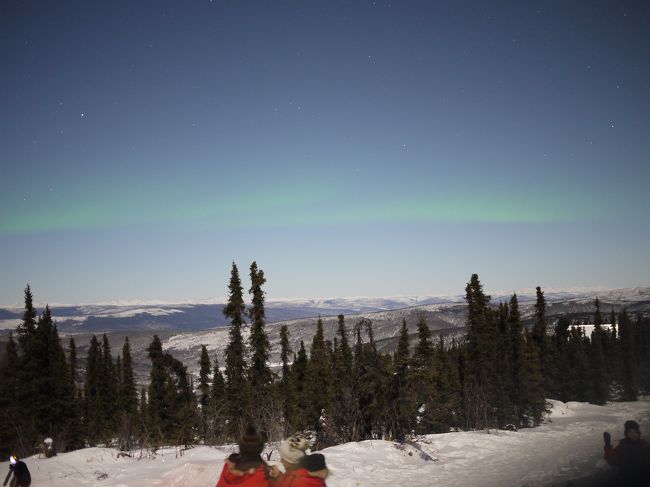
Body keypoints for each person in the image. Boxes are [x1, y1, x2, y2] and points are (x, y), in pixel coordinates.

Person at [603, 420, 650, 487]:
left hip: (644, 478)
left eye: (635, 432)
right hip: (627, 480)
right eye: (630, 432)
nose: (633, 434)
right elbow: (613, 460)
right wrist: (608, 446)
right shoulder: (623, 446)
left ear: (638, 433)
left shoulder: (644, 444)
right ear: (626, 433)